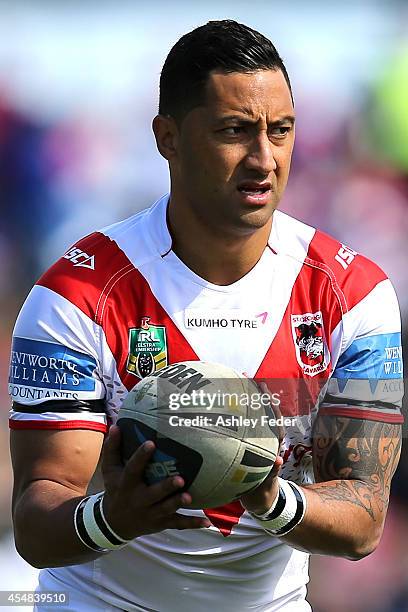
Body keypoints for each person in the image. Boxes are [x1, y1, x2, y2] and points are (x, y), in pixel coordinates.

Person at [9, 19, 403, 612]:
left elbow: (364, 519)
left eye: (282, 131)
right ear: (167, 137)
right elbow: (37, 524)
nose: (263, 159)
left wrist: (269, 496)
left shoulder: (355, 294)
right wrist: (111, 518)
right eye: (234, 131)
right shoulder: (76, 295)